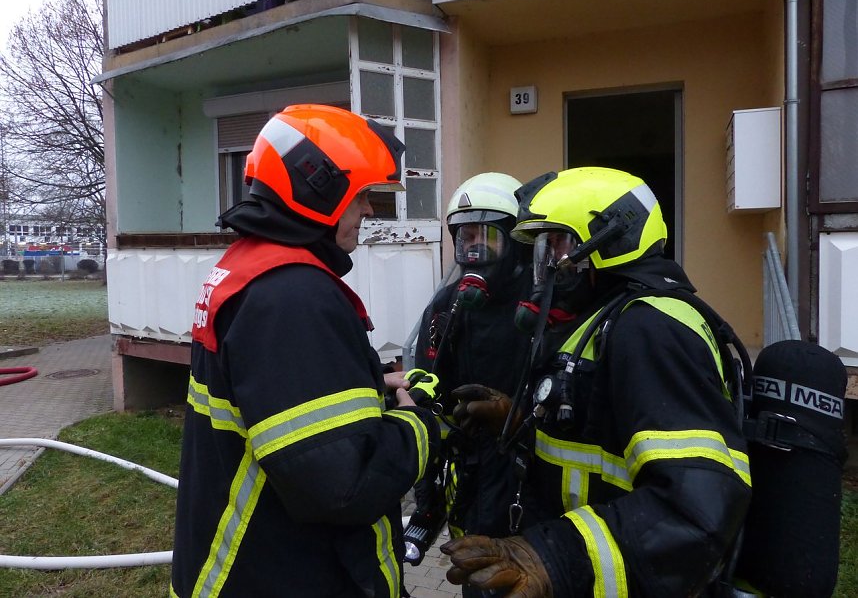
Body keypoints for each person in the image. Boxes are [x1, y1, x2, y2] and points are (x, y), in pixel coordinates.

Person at [441, 166, 752, 597]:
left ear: (610, 244)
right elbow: (601, 439)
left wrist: (552, 558)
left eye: (557, 245)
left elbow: (694, 510)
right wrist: (519, 424)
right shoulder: (605, 318)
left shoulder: (651, 329)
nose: (547, 264)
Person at [171, 104, 441, 598]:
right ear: (320, 189)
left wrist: (362, 382)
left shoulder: (251, 267)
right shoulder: (293, 297)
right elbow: (344, 489)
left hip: (251, 567)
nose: (369, 210)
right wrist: (418, 424)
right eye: (362, 195)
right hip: (284, 572)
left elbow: (269, 395)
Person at [404, 173, 533, 580]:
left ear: (514, 241)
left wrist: (519, 419)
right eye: (466, 236)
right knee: (476, 569)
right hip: (469, 468)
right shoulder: (448, 304)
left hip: (526, 467)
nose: (474, 247)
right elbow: (428, 391)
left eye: (487, 236)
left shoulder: (543, 303)